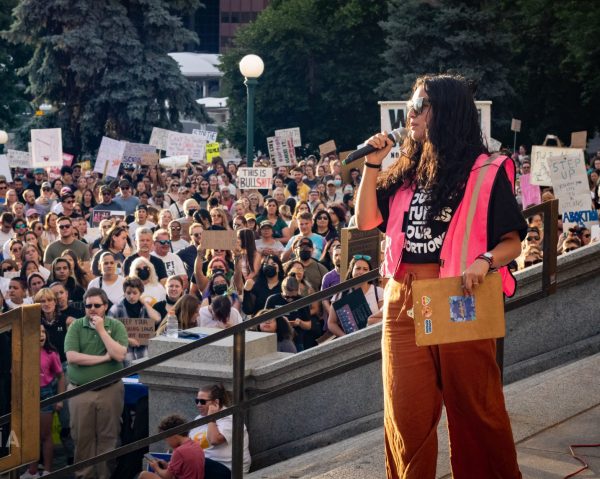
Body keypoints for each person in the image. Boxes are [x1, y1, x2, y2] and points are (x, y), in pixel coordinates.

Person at [356, 74, 526, 478]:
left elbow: (513, 241)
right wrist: (371, 164)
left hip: (458, 295)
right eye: (410, 106)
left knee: (475, 409)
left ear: (445, 112)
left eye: (420, 106)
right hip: (401, 299)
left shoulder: (487, 170)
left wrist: (484, 261)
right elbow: (366, 220)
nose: (410, 114)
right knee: (404, 412)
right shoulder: (404, 171)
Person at [63, 287, 128, 479]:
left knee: (109, 439)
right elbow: (72, 357)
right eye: (88, 306)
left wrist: (101, 330)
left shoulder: (116, 326)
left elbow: (118, 354)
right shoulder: (76, 326)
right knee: (83, 439)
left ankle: (105, 476)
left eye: (97, 305)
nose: (92, 309)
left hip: (110, 390)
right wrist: (103, 359)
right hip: (80, 392)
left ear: (105, 306)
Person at [21, 325, 65, 478]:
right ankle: (32, 470)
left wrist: (60, 399)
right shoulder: (23, 352)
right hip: (27, 393)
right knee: (30, 435)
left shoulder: (51, 353)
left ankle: (47, 470)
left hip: (46, 393)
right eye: (37, 332)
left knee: (45, 434)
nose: (41, 335)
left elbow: (60, 376)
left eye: (43, 332)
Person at [189, 384, 251, 475]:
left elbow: (214, 440)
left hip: (228, 469)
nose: (198, 405)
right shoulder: (199, 418)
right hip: (206, 465)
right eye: (197, 401)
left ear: (216, 402)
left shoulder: (230, 419)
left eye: (202, 401)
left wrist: (211, 418)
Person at [326, 256, 383, 337]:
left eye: (365, 269)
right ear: (351, 271)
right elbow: (331, 323)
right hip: (352, 341)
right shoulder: (340, 294)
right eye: (358, 268)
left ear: (370, 272)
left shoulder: (378, 292)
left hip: (374, 338)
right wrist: (345, 338)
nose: (361, 272)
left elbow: (384, 316)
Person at [109, 276, 161, 363]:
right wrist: (127, 340)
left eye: (135, 293)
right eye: (128, 293)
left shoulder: (144, 308)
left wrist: (144, 303)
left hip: (143, 354)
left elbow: (157, 319)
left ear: (140, 293)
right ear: (124, 293)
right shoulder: (116, 308)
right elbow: (109, 331)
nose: (131, 296)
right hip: (124, 356)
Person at [140, 414, 205, 479]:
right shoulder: (196, 445)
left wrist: (155, 467)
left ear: (173, 436)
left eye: (166, 438)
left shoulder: (179, 451)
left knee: (144, 475)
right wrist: (167, 465)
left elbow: (167, 476)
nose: (167, 443)